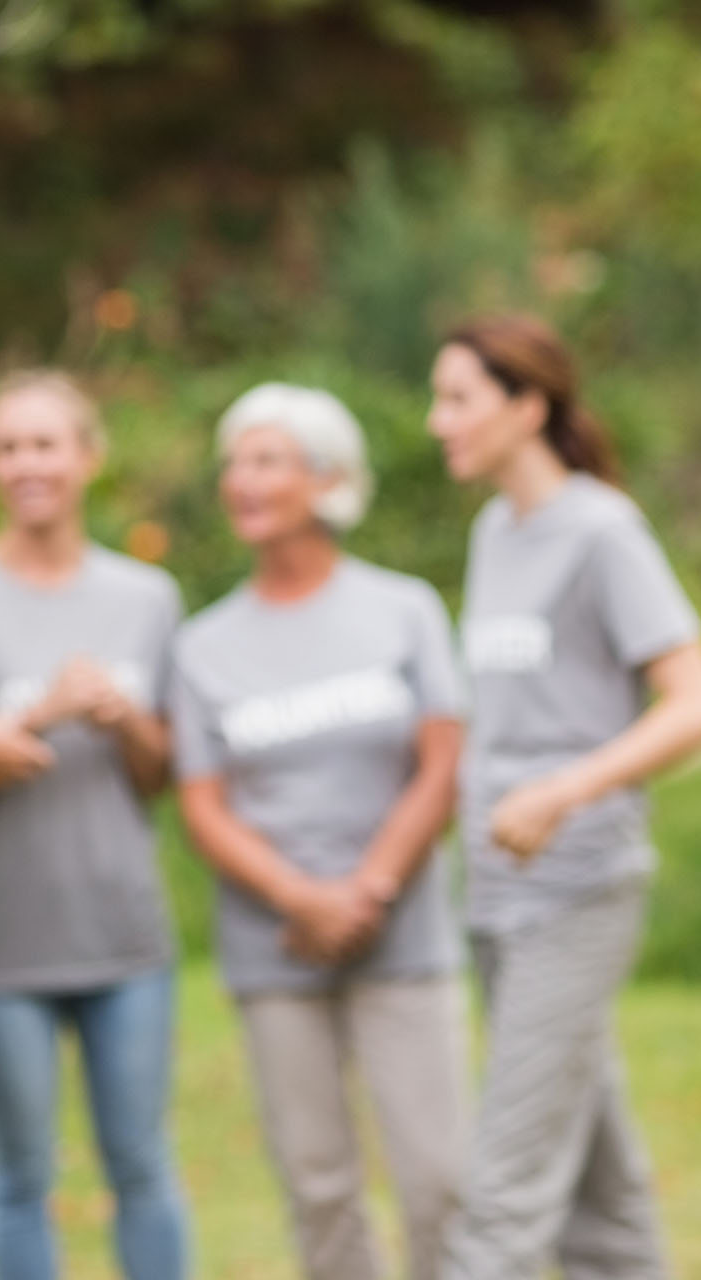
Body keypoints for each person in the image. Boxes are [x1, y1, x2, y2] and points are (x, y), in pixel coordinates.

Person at [427, 316, 701, 1280]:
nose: (437, 423)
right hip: (494, 891)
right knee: (605, 1195)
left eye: (457, 400)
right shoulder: (493, 531)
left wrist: (564, 790)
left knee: (504, 1189)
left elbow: (698, 703)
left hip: (578, 888)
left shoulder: (601, 530)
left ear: (528, 407)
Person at [171, 383, 469, 1280]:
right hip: (277, 951)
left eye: (266, 460)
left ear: (327, 479)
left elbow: (444, 762)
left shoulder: (404, 608)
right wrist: (301, 898)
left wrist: (368, 889)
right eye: (234, 463)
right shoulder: (203, 643)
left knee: (441, 1180)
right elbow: (203, 805)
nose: (242, 480)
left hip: (404, 937)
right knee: (319, 1186)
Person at [0, 370, 191, 1280]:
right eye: (6, 447)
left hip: (124, 937)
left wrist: (123, 719)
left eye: (44, 444)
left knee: (144, 1166)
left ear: (88, 458)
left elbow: (161, 777)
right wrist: (38, 716)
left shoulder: (147, 598)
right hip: (0, 941)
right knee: (18, 1177)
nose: (25, 465)